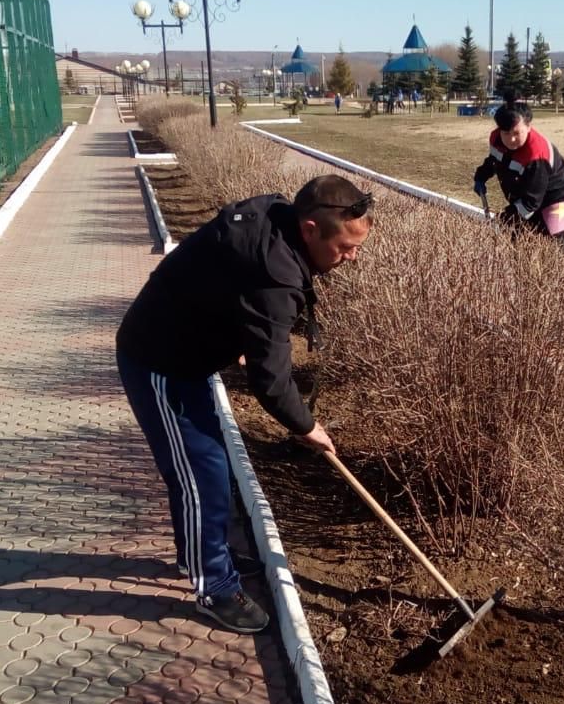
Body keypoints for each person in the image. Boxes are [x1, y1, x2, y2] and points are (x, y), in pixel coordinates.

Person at [116, 174, 373, 634]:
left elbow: (224, 283)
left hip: (186, 355)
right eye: (345, 247)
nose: (351, 257)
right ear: (310, 228)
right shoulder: (275, 274)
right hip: (160, 361)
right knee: (201, 477)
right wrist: (306, 427)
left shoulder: (278, 222)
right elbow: (270, 380)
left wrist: (234, 330)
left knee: (209, 471)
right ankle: (212, 585)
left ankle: (202, 547)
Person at [472, 102, 564, 240]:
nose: (511, 139)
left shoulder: (537, 156)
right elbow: (495, 160)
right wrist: (481, 175)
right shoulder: (497, 138)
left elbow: (530, 202)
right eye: (506, 133)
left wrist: (503, 218)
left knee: (548, 248)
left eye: (516, 133)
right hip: (527, 193)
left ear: (528, 127)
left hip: (556, 198)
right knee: (517, 240)